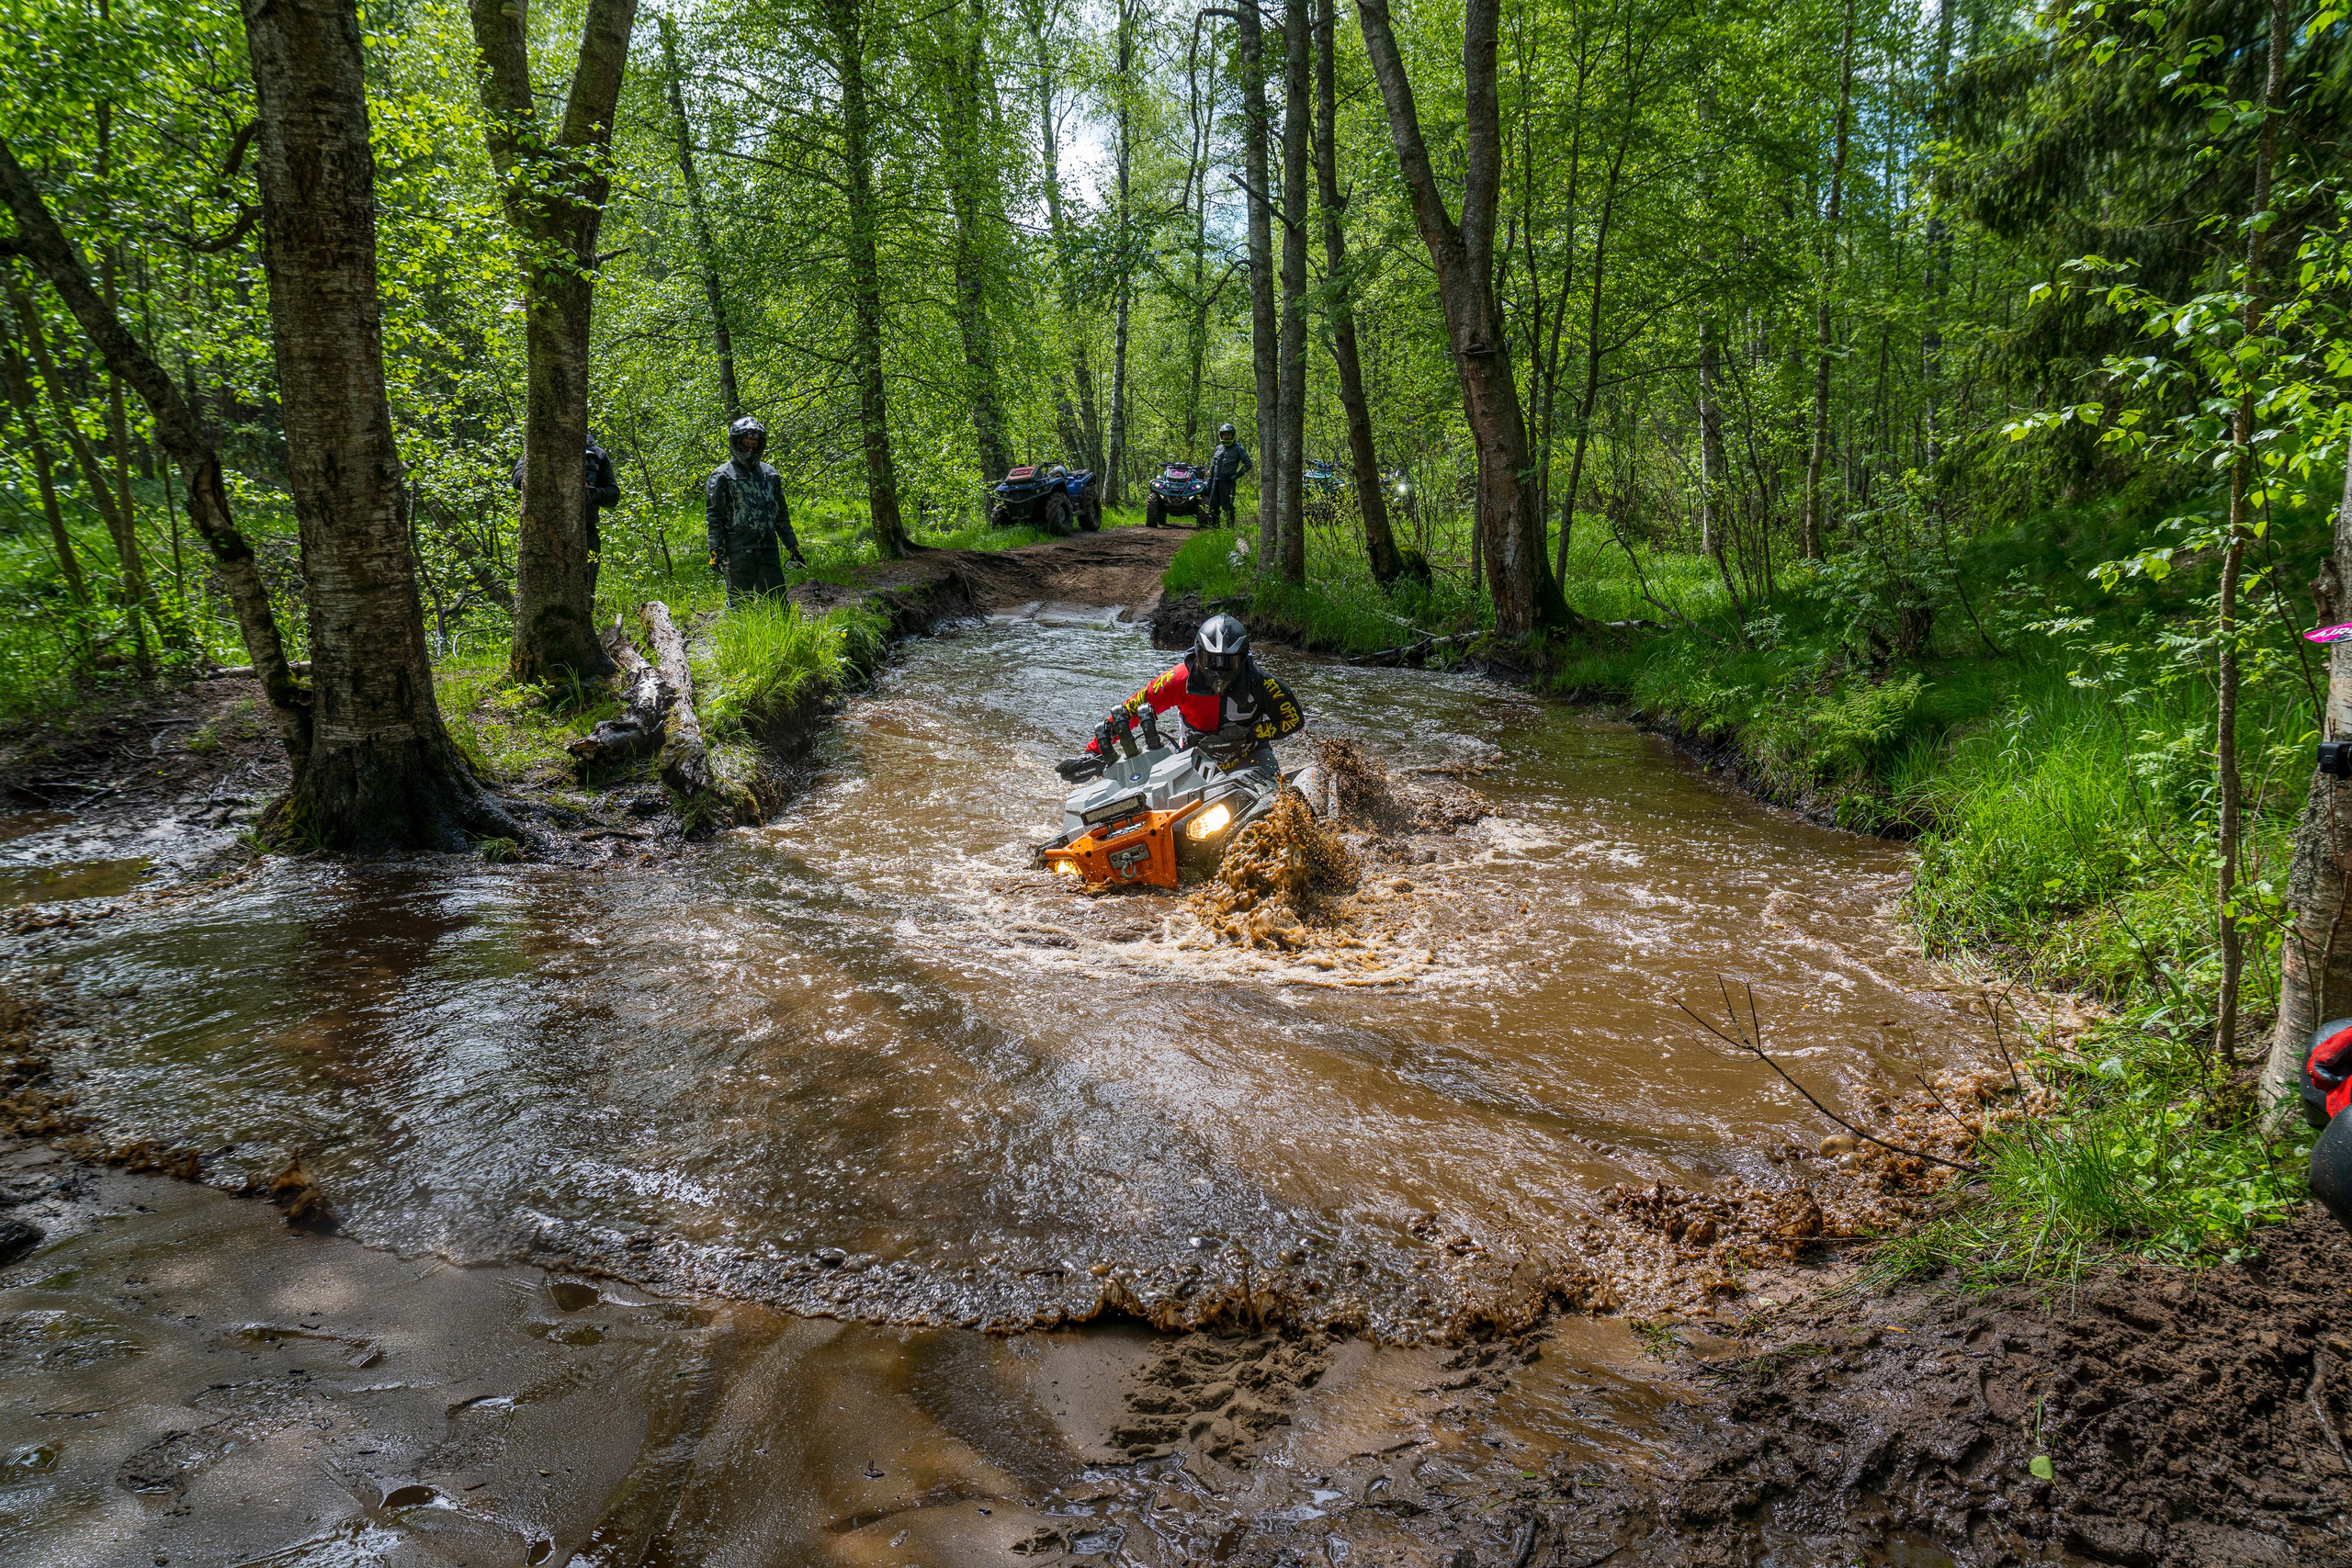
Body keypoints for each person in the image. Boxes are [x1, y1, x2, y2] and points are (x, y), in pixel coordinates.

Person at [1086, 614, 1305, 775]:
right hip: (1193, 760)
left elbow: (1294, 719)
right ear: (1199, 656)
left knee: (1279, 802)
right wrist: (1093, 752)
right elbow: (1131, 710)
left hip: (1251, 757)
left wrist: (1253, 734)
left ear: (1243, 659)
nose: (1220, 670)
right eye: (1212, 661)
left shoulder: (1262, 684)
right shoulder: (1178, 679)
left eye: (1229, 662)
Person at [705, 415, 806, 603]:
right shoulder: (721, 476)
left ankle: (781, 632)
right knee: (740, 604)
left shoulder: (770, 474)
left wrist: (792, 546)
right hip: (737, 550)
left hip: (768, 547)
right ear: (736, 443)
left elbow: (781, 515)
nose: (750, 449)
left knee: (778, 603)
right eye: (746, 443)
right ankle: (741, 633)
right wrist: (715, 550)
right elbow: (714, 516)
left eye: (754, 444)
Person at [512, 434, 621, 599]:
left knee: (585, 595)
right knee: (542, 595)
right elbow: (517, 480)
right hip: (544, 536)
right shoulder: (539, 451)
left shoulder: (597, 455)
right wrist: (550, 479)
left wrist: (590, 493)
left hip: (586, 533)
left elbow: (613, 496)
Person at [1204, 423, 1251, 531]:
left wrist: (1236, 476)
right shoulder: (1218, 448)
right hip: (1216, 481)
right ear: (1221, 436)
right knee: (1213, 507)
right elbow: (1212, 466)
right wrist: (1209, 482)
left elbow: (1248, 464)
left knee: (1228, 507)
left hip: (1228, 482)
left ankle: (1230, 531)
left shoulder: (1238, 449)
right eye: (1224, 435)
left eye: (1229, 435)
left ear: (1233, 435)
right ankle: (1214, 530)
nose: (1226, 437)